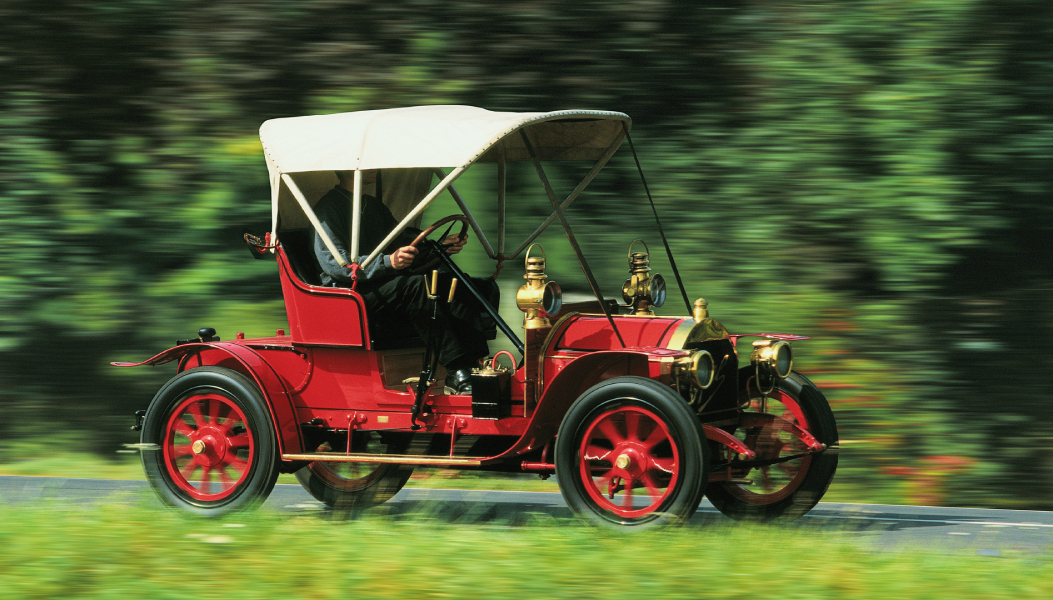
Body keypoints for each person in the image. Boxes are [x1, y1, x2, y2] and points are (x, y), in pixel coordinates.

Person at [312, 170, 491, 394]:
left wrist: (439, 246)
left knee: (452, 281)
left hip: (382, 284)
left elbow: (403, 240)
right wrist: (388, 262)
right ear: (349, 169)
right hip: (350, 294)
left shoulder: (373, 206)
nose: (375, 168)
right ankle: (456, 371)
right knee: (418, 286)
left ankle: (476, 364)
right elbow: (334, 264)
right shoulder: (328, 208)